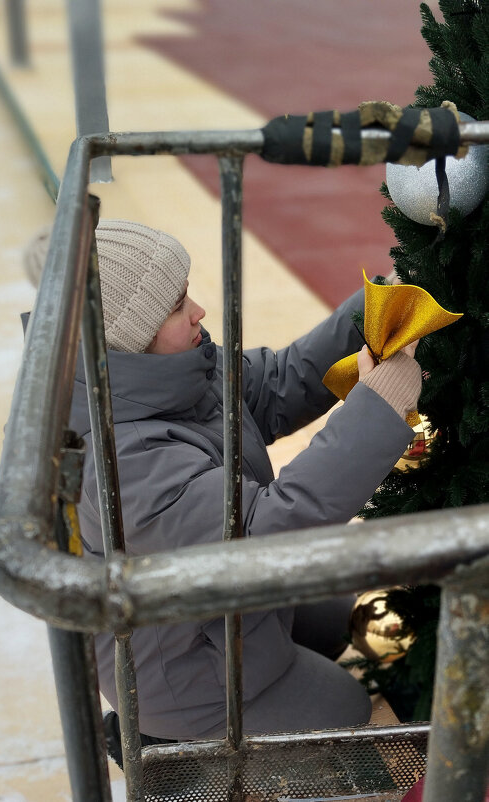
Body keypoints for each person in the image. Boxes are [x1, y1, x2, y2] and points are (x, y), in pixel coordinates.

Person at [24, 219, 421, 743]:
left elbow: (277, 384)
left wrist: (381, 306)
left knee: (330, 615)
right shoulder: (119, 459)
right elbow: (264, 532)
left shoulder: (169, 368)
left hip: (216, 606)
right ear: (124, 340)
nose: (198, 311)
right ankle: (179, 741)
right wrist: (379, 408)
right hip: (189, 676)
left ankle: (277, 657)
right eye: (175, 306)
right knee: (347, 708)